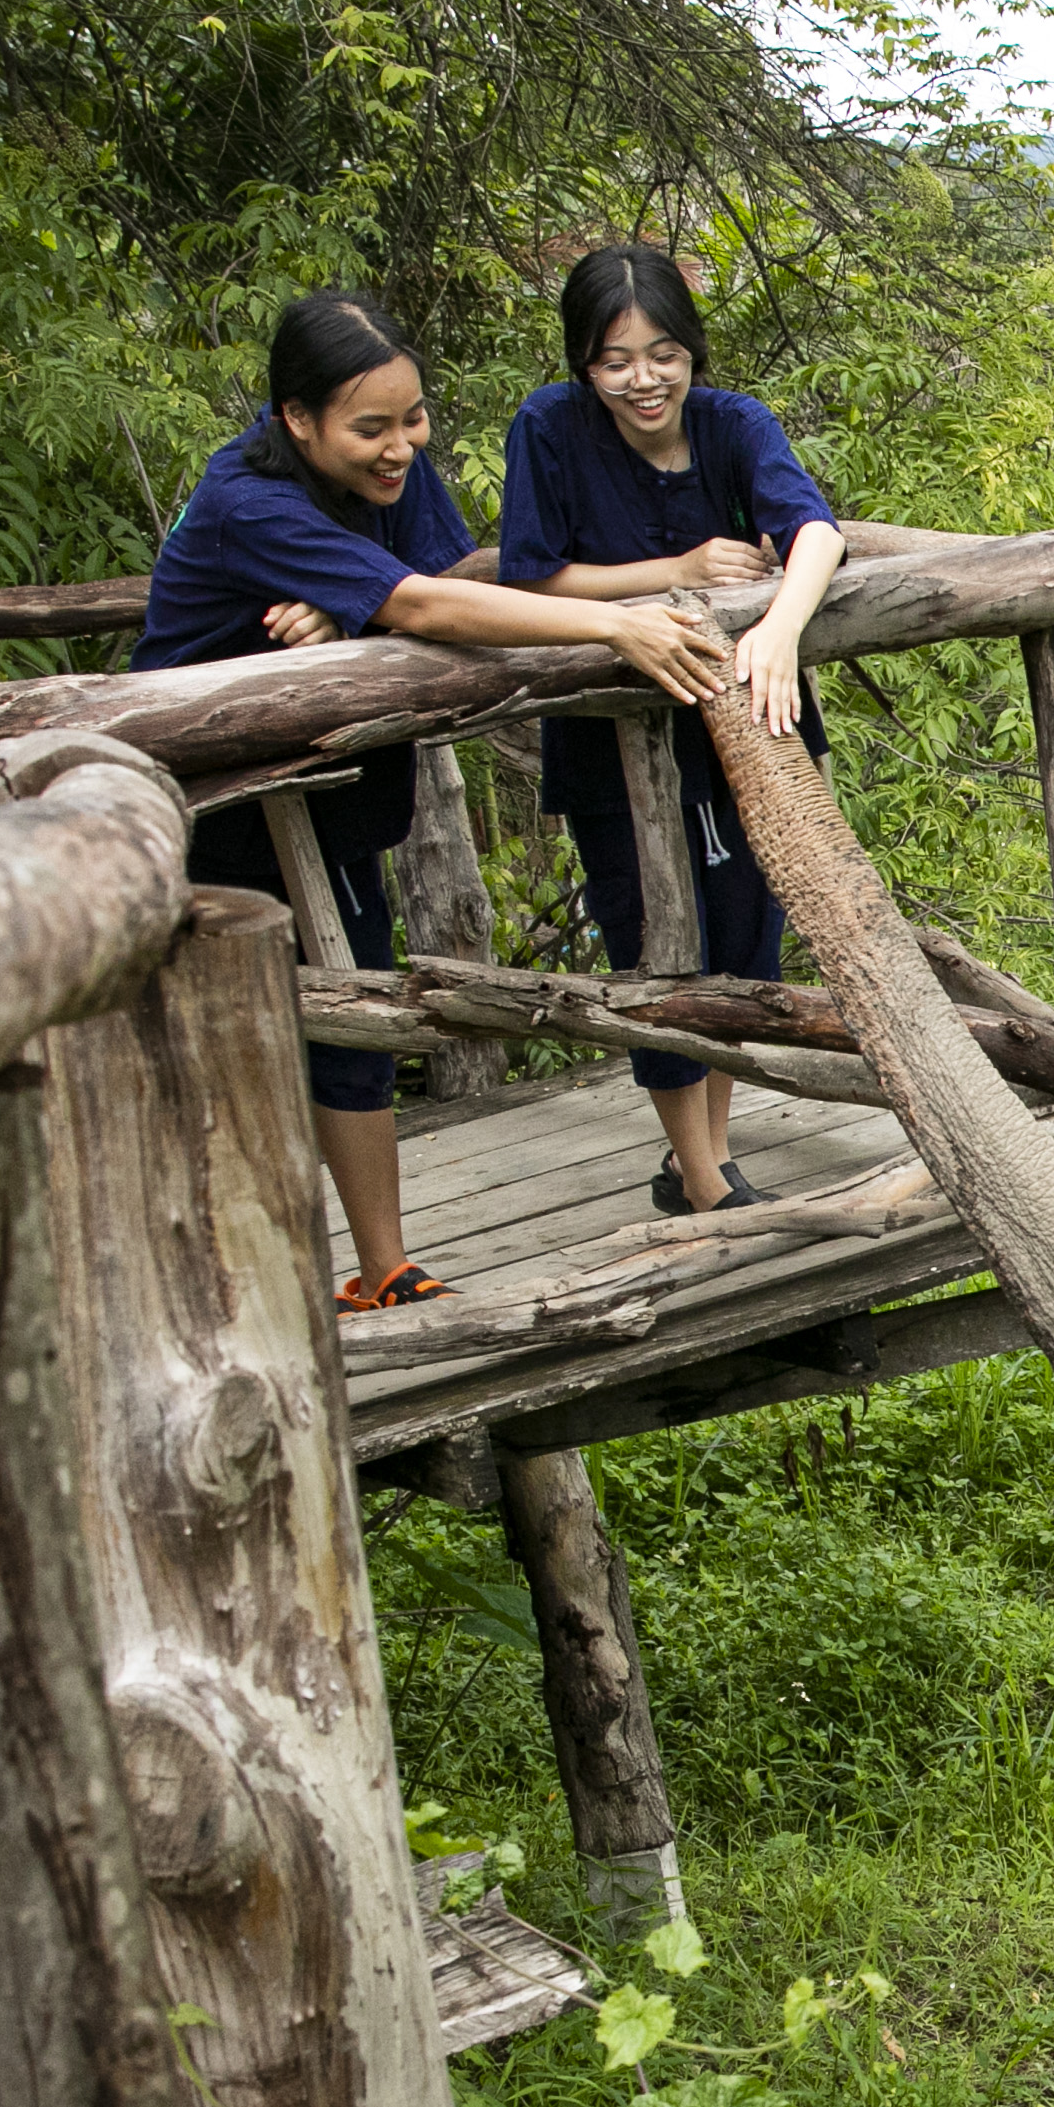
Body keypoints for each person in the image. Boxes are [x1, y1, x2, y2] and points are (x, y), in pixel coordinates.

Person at [138, 289, 729, 1310]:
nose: (401, 445)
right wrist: (611, 627)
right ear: (295, 419)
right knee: (219, 1052)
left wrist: (344, 600)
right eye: (371, 426)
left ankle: (383, 1267)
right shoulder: (247, 499)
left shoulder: (380, 475)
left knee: (354, 1021)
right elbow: (417, 601)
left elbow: (443, 564)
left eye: (413, 419)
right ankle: (214, 1292)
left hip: (327, 798)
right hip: (211, 812)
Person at [499, 244, 847, 1215]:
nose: (643, 379)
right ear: (582, 363)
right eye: (615, 360)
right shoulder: (551, 430)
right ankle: (700, 1177)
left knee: (743, 939)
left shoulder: (732, 423)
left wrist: (781, 622)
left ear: (692, 350)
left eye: (663, 354)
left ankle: (710, 1154)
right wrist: (677, 567)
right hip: (613, 746)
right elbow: (529, 575)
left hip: (745, 723)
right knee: (653, 939)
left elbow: (815, 530)